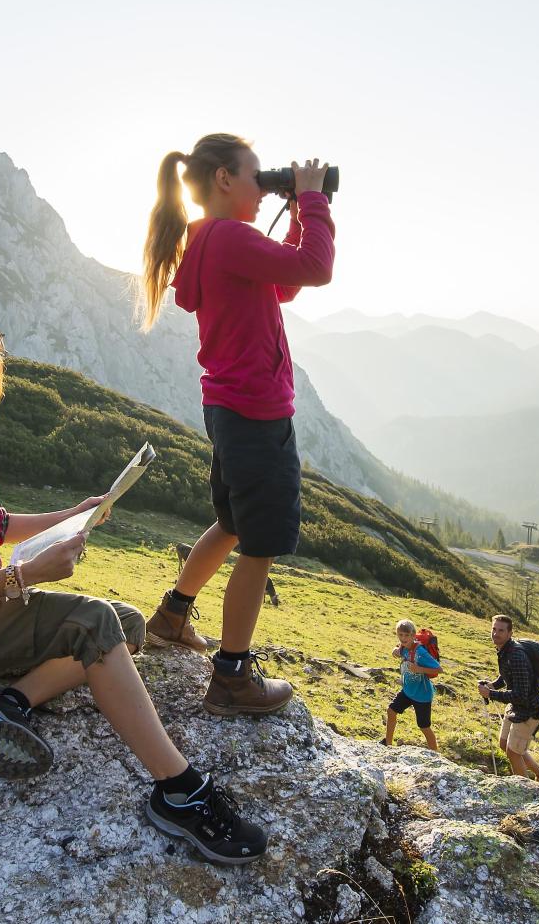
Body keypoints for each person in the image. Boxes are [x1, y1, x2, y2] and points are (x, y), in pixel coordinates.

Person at [0, 323, 267, 864]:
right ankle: (180, 791)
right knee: (95, 623)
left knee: (127, 625)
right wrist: (22, 577)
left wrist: (74, 515)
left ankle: (9, 701)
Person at [137, 134, 336, 717]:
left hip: (228, 407)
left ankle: (172, 616)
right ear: (224, 179)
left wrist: (298, 211)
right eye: (257, 176)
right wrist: (313, 200)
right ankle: (231, 678)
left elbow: (287, 282)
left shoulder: (208, 239)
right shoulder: (227, 236)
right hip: (257, 412)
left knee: (229, 521)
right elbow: (318, 269)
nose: (261, 186)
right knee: (260, 546)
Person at [478, 615, 539, 790]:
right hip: (516, 708)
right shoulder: (505, 650)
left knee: (513, 752)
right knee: (504, 744)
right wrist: (493, 684)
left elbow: (521, 695)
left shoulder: (516, 655)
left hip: (529, 711)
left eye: (501, 630)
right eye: (494, 629)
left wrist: (491, 693)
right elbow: (508, 675)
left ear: (510, 633)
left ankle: (524, 791)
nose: (496, 633)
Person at [383, 619, 440, 751]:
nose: (403, 638)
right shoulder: (403, 647)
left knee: (424, 726)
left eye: (407, 635)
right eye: (401, 635)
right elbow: (398, 649)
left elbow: (438, 669)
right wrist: (394, 650)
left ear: (413, 636)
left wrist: (419, 669)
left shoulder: (421, 652)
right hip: (408, 691)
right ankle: (388, 745)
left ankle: (436, 755)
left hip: (422, 695)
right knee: (391, 711)